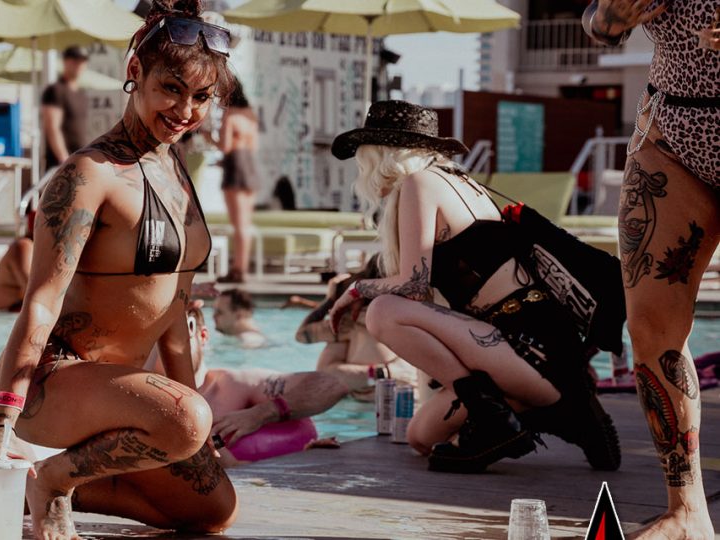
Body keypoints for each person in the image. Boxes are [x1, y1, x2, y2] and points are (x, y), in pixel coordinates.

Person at [0, 2, 238, 537]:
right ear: (135, 72)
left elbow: (174, 310)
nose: (185, 110)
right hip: (53, 383)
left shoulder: (173, 167)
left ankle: (71, 487)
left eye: (202, 97)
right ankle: (54, 479)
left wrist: (191, 422)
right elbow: (41, 303)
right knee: (188, 419)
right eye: (172, 88)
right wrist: (1, 423)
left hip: (121, 395)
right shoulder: (90, 174)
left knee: (214, 512)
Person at [326, 101, 620, 475]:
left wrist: (356, 289)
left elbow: (413, 284)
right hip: (538, 355)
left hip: (526, 350)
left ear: (380, 153)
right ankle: (558, 414)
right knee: (420, 437)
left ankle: (503, 413)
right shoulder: (464, 182)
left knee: (383, 310)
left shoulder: (420, 184)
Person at [583, 1, 718, 537]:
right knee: (651, 325)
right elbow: (597, 21)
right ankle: (687, 514)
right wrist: (613, 16)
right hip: (671, 133)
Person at [148, 303, 348, 467]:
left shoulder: (235, 386)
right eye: (155, 337)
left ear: (202, 336)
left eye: (177, 333)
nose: (164, 346)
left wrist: (261, 414)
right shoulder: (140, 399)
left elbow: (331, 385)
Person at [294, 255, 417, 400]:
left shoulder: (349, 322)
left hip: (367, 397)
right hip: (401, 397)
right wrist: (386, 372)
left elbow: (302, 335)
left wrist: (330, 300)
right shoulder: (411, 316)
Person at [216, 80, 260, 283]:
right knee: (246, 223)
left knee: (238, 224)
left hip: (235, 167)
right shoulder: (250, 114)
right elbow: (253, 145)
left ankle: (238, 270)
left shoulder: (230, 114)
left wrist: (208, 137)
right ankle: (241, 267)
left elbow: (225, 146)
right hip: (250, 165)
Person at [41, 46, 90, 172]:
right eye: (75, 61)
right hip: (61, 164)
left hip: (80, 160)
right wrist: (63, 158)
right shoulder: (55, 90)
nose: (79, 65)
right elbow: (52, 127)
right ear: (65, 62)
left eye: (82, 61)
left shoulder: (81, 93)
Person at [0, 211, 35, 312]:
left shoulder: (32, 248)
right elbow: (31, 289)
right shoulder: (23, 246)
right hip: (9, 312)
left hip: (8, 313)